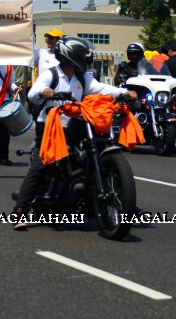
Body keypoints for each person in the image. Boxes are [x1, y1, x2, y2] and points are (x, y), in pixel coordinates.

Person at [12, 36, 136, 229]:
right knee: (40, 165)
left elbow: (99, 88)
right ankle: (20, 210)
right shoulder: (51, 75)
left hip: (74, 125)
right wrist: (45, 91)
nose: (86, 59)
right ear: (71, 56)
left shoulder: (81, 76)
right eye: (82, 55)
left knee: (89, 153)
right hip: (51, 128)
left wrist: (123, 92)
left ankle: (122, 202)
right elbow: (32, 94)